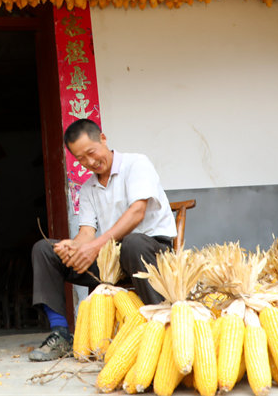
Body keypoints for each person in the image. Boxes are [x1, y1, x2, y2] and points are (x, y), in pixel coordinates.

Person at [28, 119, 177, 361]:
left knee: (133, 242)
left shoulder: (137, 164)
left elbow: (137, 212)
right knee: (44, 249)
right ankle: (61, 334)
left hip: (150, 252)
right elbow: (87, 232)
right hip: (112, 257)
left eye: (91, 152)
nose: (88, 162)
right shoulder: (87, 189)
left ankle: (160, 327)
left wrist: (95, 246)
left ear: (103, 139)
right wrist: (73, 247)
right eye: (80, 159)